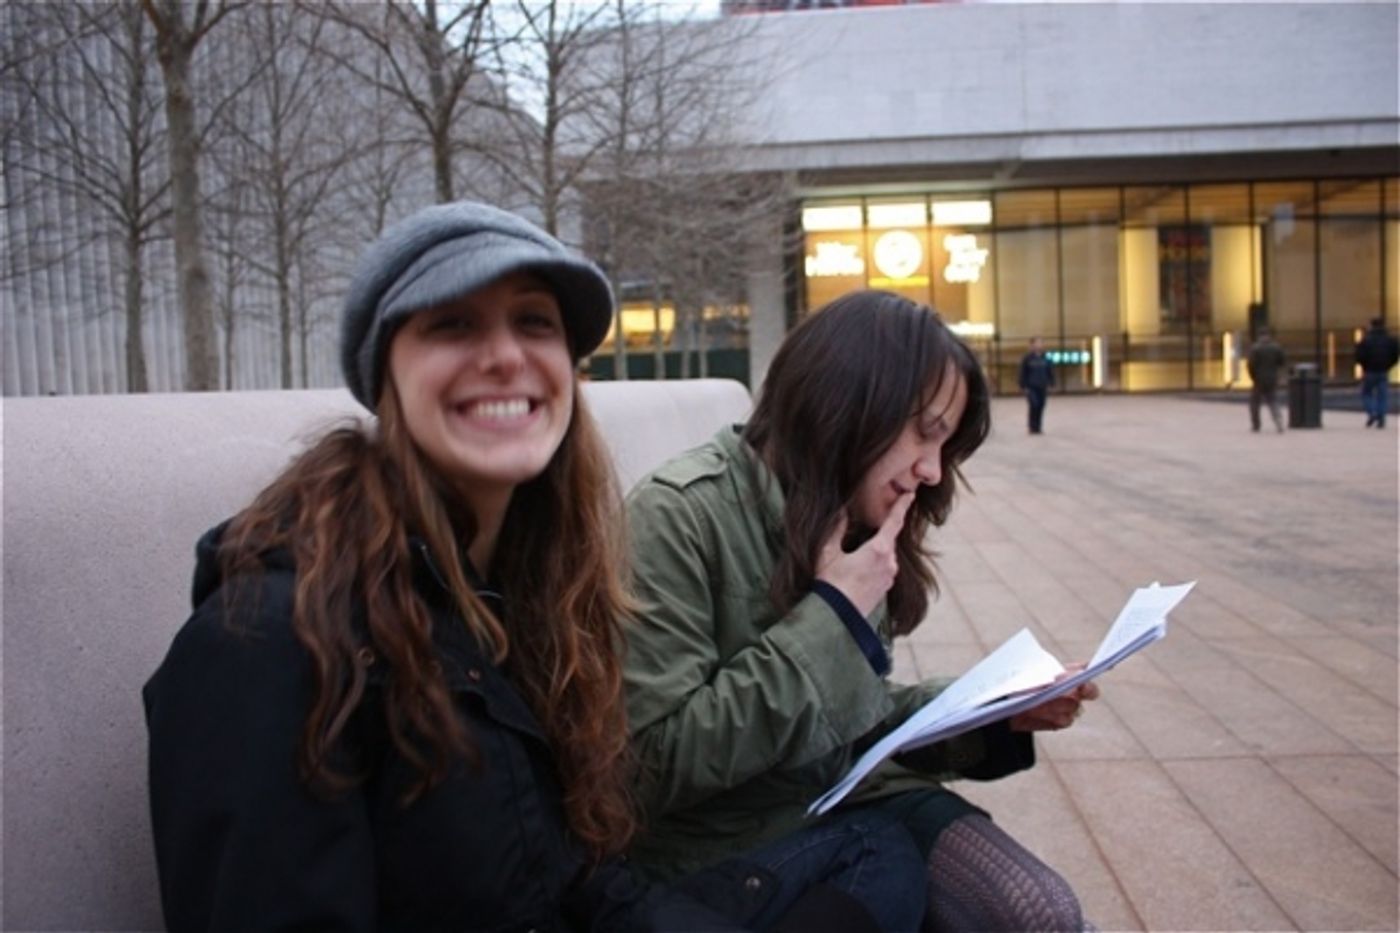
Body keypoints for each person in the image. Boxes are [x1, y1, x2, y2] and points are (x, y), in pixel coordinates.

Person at [143, 204, 928, 932]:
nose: (505, 355)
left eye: (535, 323)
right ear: (385, 375)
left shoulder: (520, 595)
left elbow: (575, 875)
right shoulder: (268, 644)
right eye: (453, 324)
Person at [622, 290, 1100, 932]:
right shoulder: (676, 515)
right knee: (892, 870)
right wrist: (832, 615)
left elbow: (855, 722)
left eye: (947, 445)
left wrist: (989, 712)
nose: (932, 470)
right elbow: (650, 764)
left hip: (841, 797)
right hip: (722, 844)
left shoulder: (846, 511)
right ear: (843, 404)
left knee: (1040, 911)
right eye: (925, 435)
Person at [1355, 316, 1399, 428]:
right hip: (1383, 371)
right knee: (1382, 395)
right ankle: (1381, 416)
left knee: (1366, 393)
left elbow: (1359, 356)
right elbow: (1395, 355)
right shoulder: (1390, 340)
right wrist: (1388, 366)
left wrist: (1364, 366)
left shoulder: (1366, 340)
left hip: (1370, 371)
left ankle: (1372, 412)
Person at [1246, 327, 1287, 433]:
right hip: (1272, 378)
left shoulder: (1255, 348)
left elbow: (1251, 365)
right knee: (1273, 400)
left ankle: (1256, 424)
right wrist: (1278, 374)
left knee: (1255, 403)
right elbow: (1282, 361)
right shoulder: (1276, 347)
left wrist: (1253, 377)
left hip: (1259, 379)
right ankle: (1278, 420)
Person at [1018, 337, 1054, 434]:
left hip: (1042, 386)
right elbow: (1023, 373)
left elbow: (1050, 371)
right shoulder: (1027, 358)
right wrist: (1023, 386)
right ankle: (1032, 426)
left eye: (1041, 343)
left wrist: (1051, 383)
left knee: (1041, 406)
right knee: (1034, 405)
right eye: (1037, 343)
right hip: (1031, 387)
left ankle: (1038, 427)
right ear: (1032, 345)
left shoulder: (1046, 358)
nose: (1039, 345)